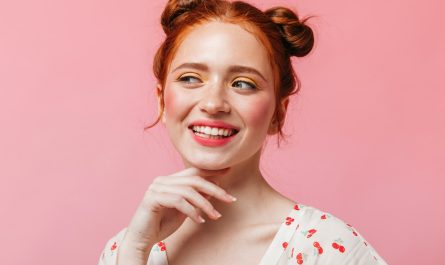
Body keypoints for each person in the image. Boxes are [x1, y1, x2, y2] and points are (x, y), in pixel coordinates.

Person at [98, 0, 388, 264]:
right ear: (162, 101)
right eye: (190, 78)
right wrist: (135, 251)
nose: (213, 104)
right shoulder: (125, 251)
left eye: (243, 83)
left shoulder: (326, 248)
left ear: (279, 113)